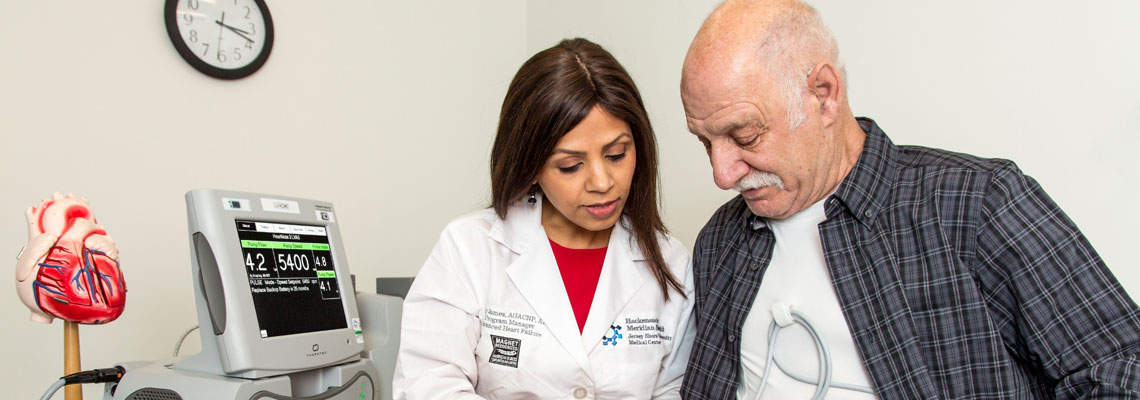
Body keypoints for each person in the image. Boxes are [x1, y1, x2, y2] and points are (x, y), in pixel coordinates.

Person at [678, 1, 1140, 399]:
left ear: (824, 94)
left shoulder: (978, 203)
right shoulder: (720, 241)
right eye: (704, 142)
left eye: (745, 135)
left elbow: (1121, 373)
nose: (722, 174)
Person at [393, 38, 695, 399]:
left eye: (616, 155)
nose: (602, 183)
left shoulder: (671, 263)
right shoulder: (470, 249)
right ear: (531, 165)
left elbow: (675, 390)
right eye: (570, 166)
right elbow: (429, 384)